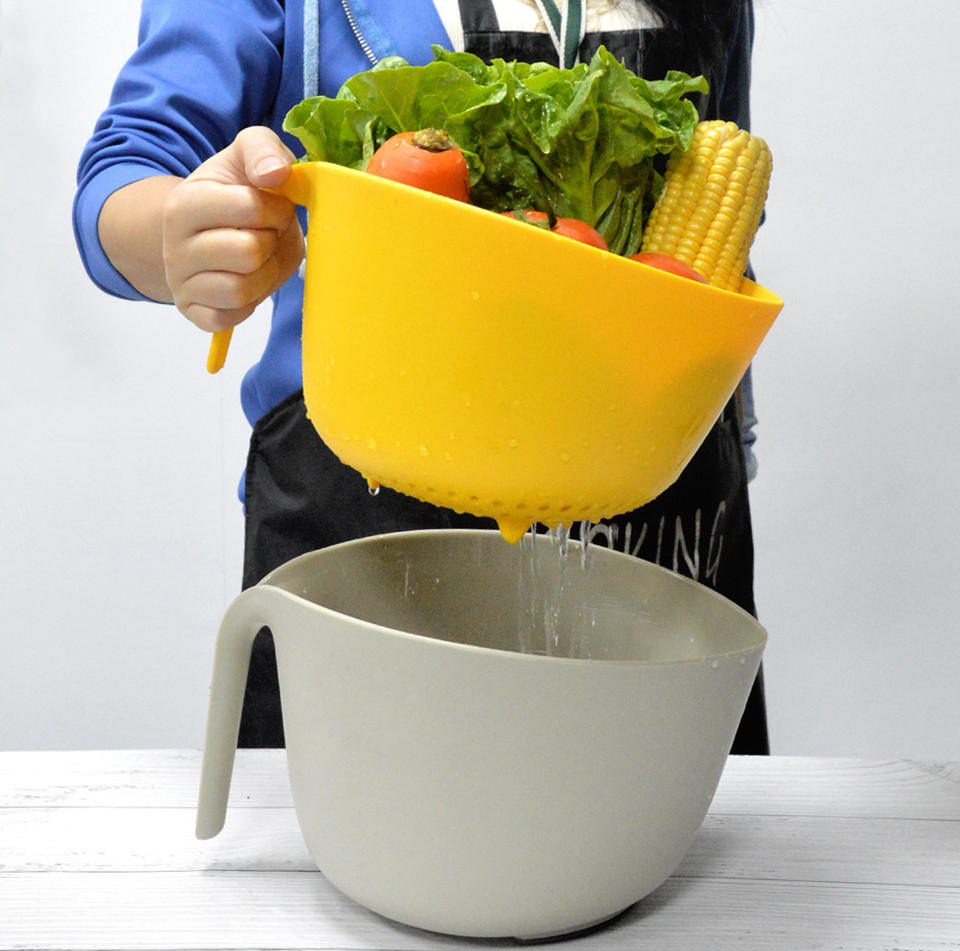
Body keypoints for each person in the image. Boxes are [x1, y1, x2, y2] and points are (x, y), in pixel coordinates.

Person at [74, 0, 769, 752]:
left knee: (666, 813)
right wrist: (184, 230)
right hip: (368, 492)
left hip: (653, 503)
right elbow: (126, 169)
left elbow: (718, 182)